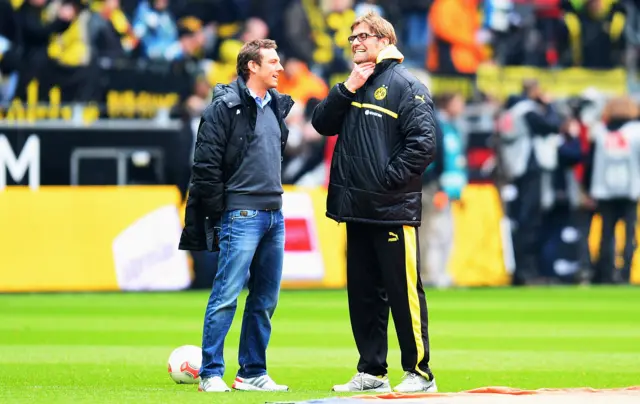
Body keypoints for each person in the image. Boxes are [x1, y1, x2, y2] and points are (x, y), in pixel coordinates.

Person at [311, 11, 438, 394]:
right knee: (363, 295)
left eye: (363, 36)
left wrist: (386, 182)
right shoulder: (354, 84)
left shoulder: (406, 84)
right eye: (352, 39)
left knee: (403, 293)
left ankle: (419, 373)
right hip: (357, 210)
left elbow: (423, 145)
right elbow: (321, 123)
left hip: (391, 209)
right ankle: (371, 371)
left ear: (385, 39)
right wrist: (347, 87)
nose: (356, 44)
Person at [178, 39, 294, 393]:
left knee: (265, 299)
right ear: (252, 67)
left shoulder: (276, 105)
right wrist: (220, 213)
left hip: (275, 214)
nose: (280, 68)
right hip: (241, 213)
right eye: (273, 62)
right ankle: (211, 373)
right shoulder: (223, 108)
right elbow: (206, 165)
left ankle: (251, 372)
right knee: (226, 295)